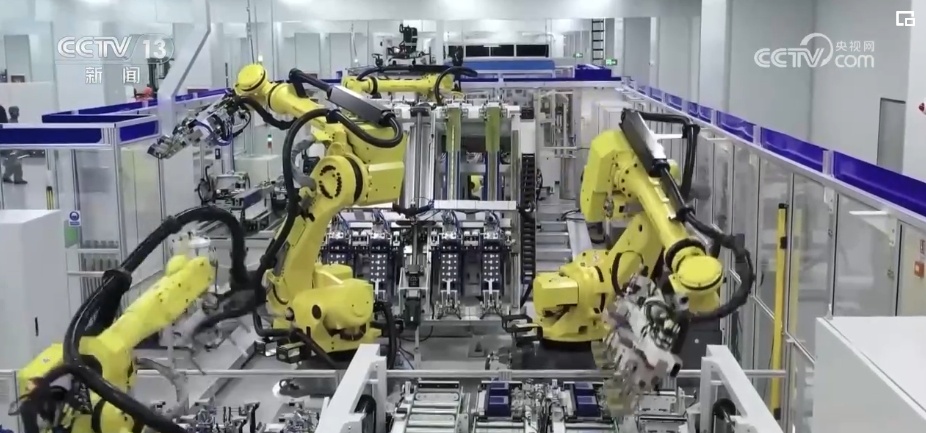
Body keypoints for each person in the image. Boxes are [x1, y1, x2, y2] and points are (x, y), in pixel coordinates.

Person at [2, 105, 26, 184]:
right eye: (16, 112)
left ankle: (7, 176)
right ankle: (17, 179)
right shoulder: (10, 123)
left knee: (13, 163)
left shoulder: (14, 122)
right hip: (12, 147)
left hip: (14, 147)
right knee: (15, 163)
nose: (17, 113)